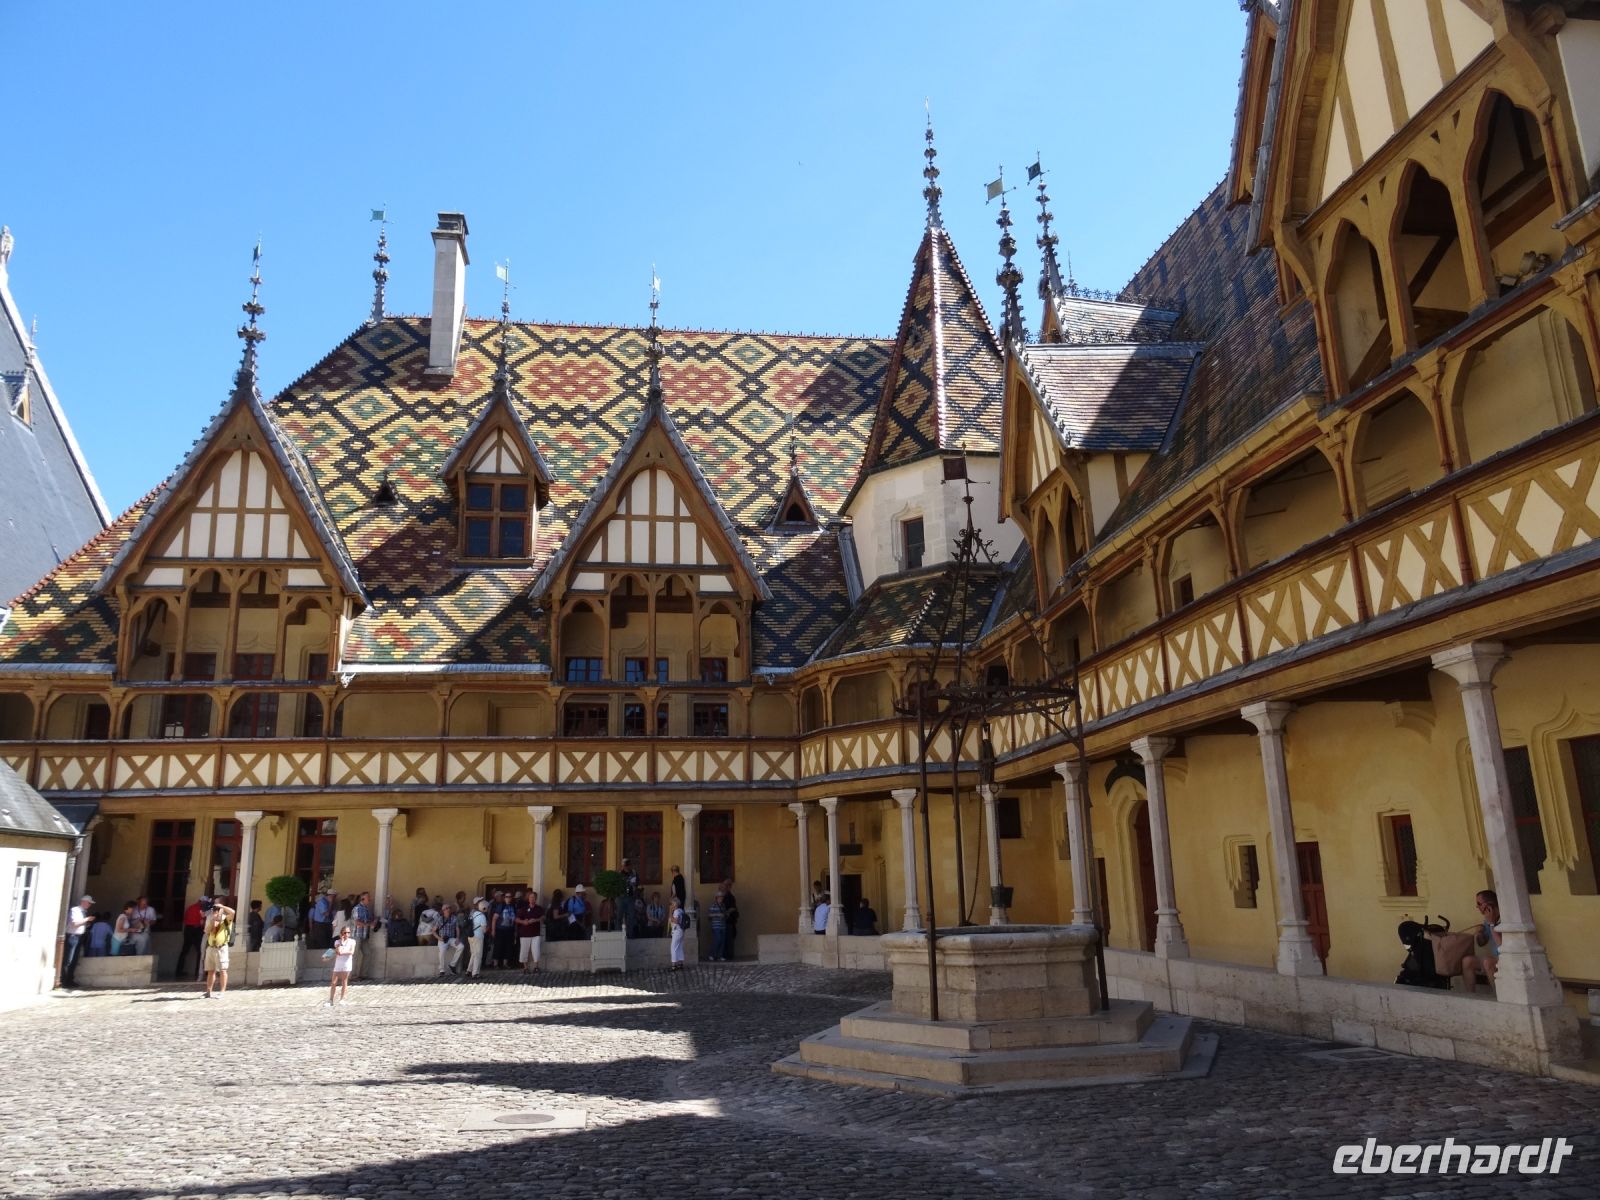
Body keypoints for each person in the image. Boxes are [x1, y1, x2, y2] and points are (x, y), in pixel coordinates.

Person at [1461, 889, 1502, 993]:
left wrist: (1492, 924)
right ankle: (1471, 996)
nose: (1477, 907)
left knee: (1488, 962)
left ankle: (1499, 995)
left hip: (1505, 957)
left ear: (1489, 905)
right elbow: (1482, 943)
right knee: (1467, 961)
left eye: (1479, 904)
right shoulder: (1487, 919)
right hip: (1495, 957)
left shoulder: (1503, 918)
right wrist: (1479, 934)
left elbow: (1501, 946)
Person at [202, 900, 235, 998]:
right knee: (210, 970)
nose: (215, 912)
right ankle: (208, 991)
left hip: (221, 948)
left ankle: (222, 991)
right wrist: (213, 922)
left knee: (223, 970)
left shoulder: (226, 920)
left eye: (217, 910)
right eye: (214, 910)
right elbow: (206, 931)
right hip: (211, 947)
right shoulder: (211, 919)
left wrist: (222, 906)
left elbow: (232, 912)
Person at [61, 894, 94, 986]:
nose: (89, 905)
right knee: (68, 959)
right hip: (72, 936)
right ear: (84, 902)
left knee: (75, 960)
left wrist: (86, 923)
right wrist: (87, 919)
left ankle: (69, 980)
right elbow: (74, 923)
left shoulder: (84, 912)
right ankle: (63, 980)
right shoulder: (75, 910)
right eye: (89, 903)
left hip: (79, 937)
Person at [177, 896, 207, 977]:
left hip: (188, 930)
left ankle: (179, 971)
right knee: (200, 951)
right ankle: (198, 972)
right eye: (204, 902)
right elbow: (201, 923)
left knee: (185, 951)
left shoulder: (190, 908)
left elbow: (185, 919)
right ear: (201, 902)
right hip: (196, 930)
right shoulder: (201, 909)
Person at [327, 925, 356, 1006]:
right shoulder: (337, 942)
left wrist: (342, 953)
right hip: (338, 964)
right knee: (333, 982)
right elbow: (338, 951)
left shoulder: (352, 941)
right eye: (345, 932)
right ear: (341, 933)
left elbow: (351, 952)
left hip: (347, 963)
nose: (347, 934)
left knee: (344, 981)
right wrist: (342, 942)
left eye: (348, 932)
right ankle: (331, 1000)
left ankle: (342, 999)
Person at [515, 891, 544, 972]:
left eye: (533, 897)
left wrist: (535, 920)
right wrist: (524, 922)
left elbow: (542, 918)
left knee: (536, 950)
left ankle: (536, 967)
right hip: (525, 933)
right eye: (531, 897)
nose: (532, 899)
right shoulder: (523, 909)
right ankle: (525, 968)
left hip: (535, 933)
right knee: (524, 950)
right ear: (528, 899)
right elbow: (516, 919)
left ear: (536, 899)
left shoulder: (539, 908)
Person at [350, 892, 373, 978]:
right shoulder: (357, 908)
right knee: (354, 955)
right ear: (362, 899)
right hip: (356, 935)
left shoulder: (366, 909)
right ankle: (352, 975)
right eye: (368, 898)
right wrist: (368, 925)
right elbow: (357, 922)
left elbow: (368, 920)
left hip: (364, 936)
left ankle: (363, 974)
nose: (370, 900)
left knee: (368, 953)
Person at [436, 904, 464, 976]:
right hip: (442, 939)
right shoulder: (439, 919)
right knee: (442, 951)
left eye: (449, 908)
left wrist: (457, 938)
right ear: (443, 911)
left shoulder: (454, 918)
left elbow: (457, 928)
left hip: (451, 938)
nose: (448, 909)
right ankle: (442, 970)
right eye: (446, 908)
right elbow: (433, 930)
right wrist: (439, 938)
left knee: (461, 946)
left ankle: (452, 965)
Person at [495, 891, 518, 968]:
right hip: (500, 929)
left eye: (510, 897)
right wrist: (493, 930)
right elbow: (494, 918)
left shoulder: (513, 906)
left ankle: (505, 963)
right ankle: (496, 964)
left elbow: (515, 919)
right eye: (506, 897)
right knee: (498, 946)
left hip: (510, 929)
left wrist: (515, 930)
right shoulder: (500, 906)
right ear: (504, 898)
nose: (508, 898)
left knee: (508, 947)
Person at [466, 899, 489, 977]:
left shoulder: (473, 913)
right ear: (484, 908)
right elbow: (484, 930)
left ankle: (469, 970)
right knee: (478, 955)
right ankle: (475, 973)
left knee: (473, 954)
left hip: (470, 936)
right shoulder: (482, 916)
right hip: (478, 937)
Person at [620, 858, 640, 937]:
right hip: (621, 897)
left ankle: (630, 934)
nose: (627, 867)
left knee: (631, 916)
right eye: (625, 865)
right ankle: (621, 935)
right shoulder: (619, 874)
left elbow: (637, 882)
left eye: (628, 865)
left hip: (631, 897)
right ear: (623, 866)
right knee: (620, 916)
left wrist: (634, 887)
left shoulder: (634, 873)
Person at [668, 897, 689, 970]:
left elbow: (676, 921)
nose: (671, 905)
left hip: (677, 931)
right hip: (681, 931)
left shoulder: (676, 911)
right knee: (679, 947)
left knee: (673, 948)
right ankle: (680, 963)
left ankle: (674, 965)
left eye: (672, 903)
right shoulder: (681, 910)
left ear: (675, 904)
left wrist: (670, 912)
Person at [708, 887, 728, 962]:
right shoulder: (713, 906)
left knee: (722, 941)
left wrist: (726, 914)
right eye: (720, 897)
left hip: (723, 926)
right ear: (716, 898)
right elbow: (709, 915)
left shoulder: (723, 906)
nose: (721, 898)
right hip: (716, 926)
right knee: (717, 940)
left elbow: (724, 914)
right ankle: (712, 955)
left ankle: (720, 956)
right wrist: (717, 915)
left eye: (722, 897)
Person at [721, 878, 739, 960]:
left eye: (725, 885)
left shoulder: (730, 897)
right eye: (723, 885)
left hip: (728, 922)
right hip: (723, 922)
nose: (723, 886)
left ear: (729, 886)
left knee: (728, 939)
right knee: (724, 939)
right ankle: (725, 955)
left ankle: (729, 956)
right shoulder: (723, 896)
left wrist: (727, 912)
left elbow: (733, 908)